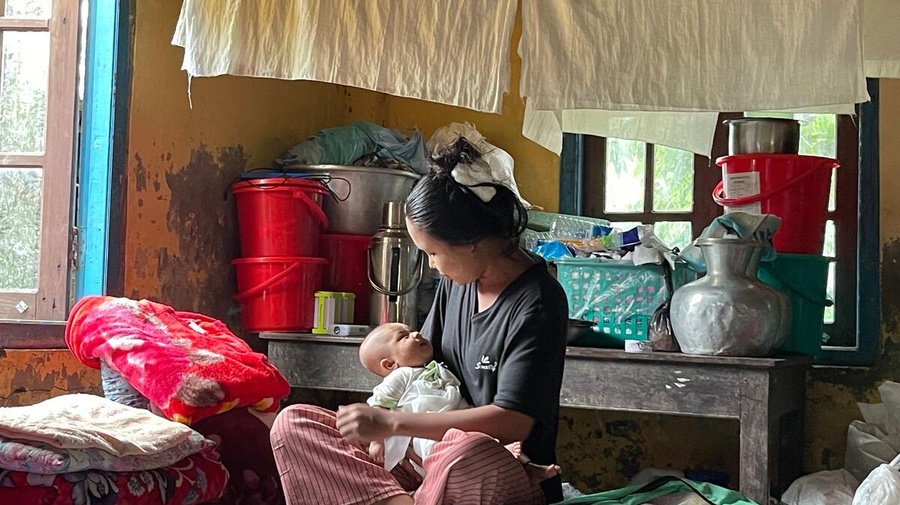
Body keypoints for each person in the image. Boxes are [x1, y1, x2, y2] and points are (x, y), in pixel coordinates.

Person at [270, 166, 569, 505]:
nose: (431, 265)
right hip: (422, 460)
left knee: (468, 452)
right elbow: (420, 366)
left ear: (469, 242)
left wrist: (395, 423)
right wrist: (384, 430)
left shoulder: (538, 301)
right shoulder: (460, 280)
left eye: (433, 253)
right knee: (295, 423)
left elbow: (513, 422)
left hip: (491, 467)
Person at [358, 322, 561, 486]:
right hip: (431, 437)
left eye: (412, 330)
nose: (417, 334)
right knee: (469, 448)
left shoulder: (434, 367)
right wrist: (378, 440)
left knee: (493, 440)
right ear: (390, 364)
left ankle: (527, 468)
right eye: (404, 337)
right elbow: (379, 407)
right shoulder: (401, 376)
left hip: (460, 424)